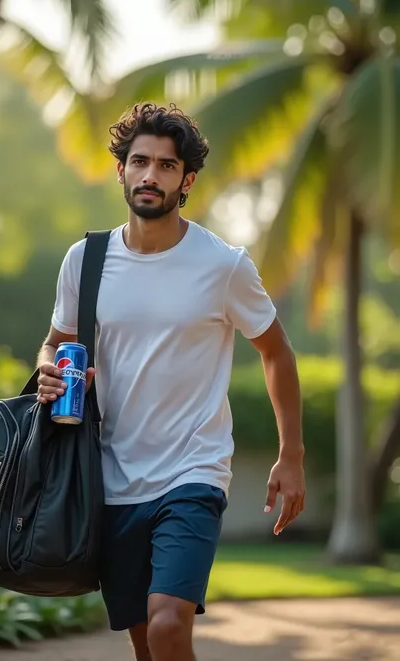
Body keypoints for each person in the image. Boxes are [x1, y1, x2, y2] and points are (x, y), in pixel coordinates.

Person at [36, 102, 305, 661]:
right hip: (108, 476)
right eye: (140, 162)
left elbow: (276, 351)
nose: (150, 176)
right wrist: (49, 369)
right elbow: (56, 341)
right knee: (144, 640)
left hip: (193, 470)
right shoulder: (85, 260)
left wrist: (292, 454)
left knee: (166, 625)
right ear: (121, 170)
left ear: (187, 179)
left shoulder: (222, 265)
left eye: (165, 165)